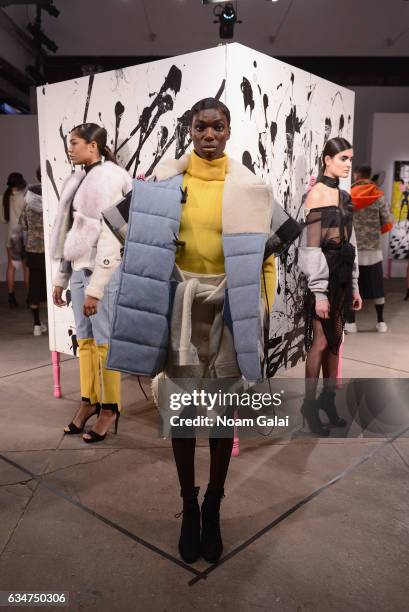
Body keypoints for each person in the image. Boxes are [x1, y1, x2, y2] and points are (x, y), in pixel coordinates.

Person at [102, 98, 301, 564]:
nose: (209, 135)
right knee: (185, 413)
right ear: (189, 131)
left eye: (218, 126)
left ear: (229, 131)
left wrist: (259, 291)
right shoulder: (165, 186)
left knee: (223, 412)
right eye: (200, 127)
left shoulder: (250, 188)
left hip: (229, 307)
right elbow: (122, 227)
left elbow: (279, 238)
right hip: (182, 310)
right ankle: (189, 506)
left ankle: (213, 503)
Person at [50, 123, 132, 443]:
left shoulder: (111, 177)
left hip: (104, 273)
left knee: (105, 343)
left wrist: (96, 288)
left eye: (74, 142)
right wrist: (61, 278)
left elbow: (113, 235)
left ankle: (110, 409)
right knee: (84, 342)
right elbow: (70, 232)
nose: (69, 147)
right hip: (80, 271)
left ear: (93, 146)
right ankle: (89, 402)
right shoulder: (77, 177)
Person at [298, 137, 362, 435]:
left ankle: (327, 400)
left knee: (336, 342)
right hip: (323, 276)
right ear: (327, 159)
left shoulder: (345, 196)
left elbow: (352, 242)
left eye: (350, 159)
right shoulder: (316, 195)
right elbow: (310, 248)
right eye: (343, 159)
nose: (348, 164)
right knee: (321, 342)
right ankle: (309, 405)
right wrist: (319, 291)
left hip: (342, 275)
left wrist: (355, 285)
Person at [344, 165, 393, 333]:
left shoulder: (348, 194)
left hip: (353, 248)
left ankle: (350, 323)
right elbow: (388, 221)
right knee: (377, 286)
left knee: (352, 285)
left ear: (356, 175)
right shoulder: (378, 195)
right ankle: (381, 322)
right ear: (369, 175)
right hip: (373, 249)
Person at [19, 168, 48, 335]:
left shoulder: (28, 200)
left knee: (35, 284)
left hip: (33, 247)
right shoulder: (54, 198)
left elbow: (24, 225)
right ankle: (56, 323)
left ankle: (37, 324)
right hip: (51, 248)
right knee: (56, 284)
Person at [0, 172, 29, 307]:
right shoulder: (25, 196)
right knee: (26, 268)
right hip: (23, 235)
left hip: (10, 235)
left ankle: (11, 297)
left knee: (11, 267)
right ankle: (30, 297)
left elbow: (3, 219)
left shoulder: (3, 197)